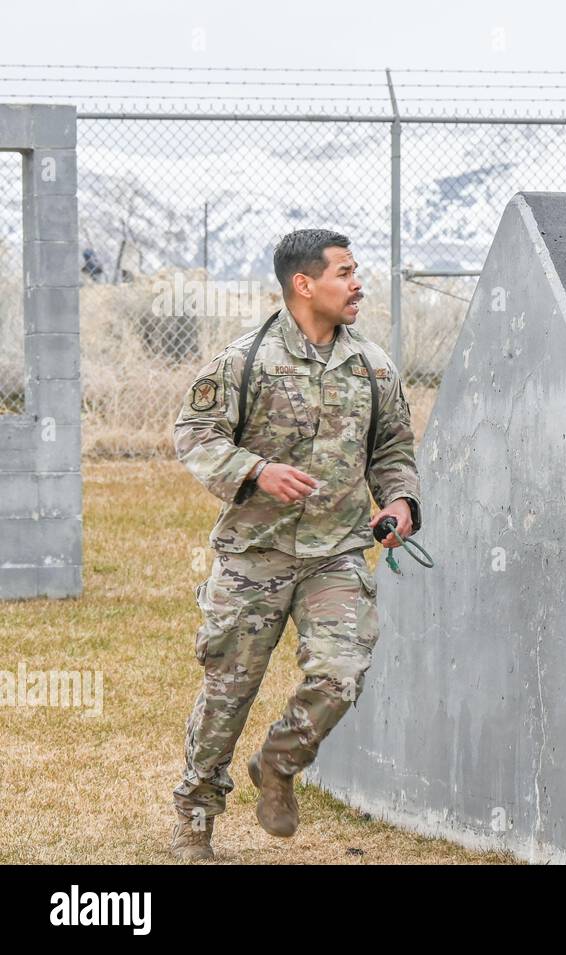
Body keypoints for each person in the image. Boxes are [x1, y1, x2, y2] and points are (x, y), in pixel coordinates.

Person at [169, 229, 421, 861]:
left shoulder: (373, 367)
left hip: (335, 553)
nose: (357, 283)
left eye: (356, 271)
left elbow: (393, 450)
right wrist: (255, 471)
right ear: (304, 285)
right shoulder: (243, 360)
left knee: (341, 673)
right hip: (256, 554)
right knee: (229, 692)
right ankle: (196, 816)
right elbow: (195, 435)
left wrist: (399, 502)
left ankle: (279, 761)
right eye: (344, 273)